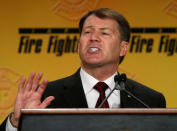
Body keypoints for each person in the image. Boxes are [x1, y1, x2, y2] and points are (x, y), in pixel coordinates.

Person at [0, 8, 166, 131]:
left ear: (123, 48)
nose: (93, 38)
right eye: (87, 32)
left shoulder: (149, 100)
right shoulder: (47, 97)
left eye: (104, 33)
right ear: (79, 44)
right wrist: (16, 124)